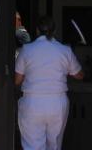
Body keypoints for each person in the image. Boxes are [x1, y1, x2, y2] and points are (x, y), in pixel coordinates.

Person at [14, 15, 83, 150]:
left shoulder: (27, 50)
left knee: (32, 145)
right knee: (55, 145)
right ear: (55, 30)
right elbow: (79, 75)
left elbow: (17, 80)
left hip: (32, 102)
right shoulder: (65, 50)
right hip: (57, 102)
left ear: (37, 30)